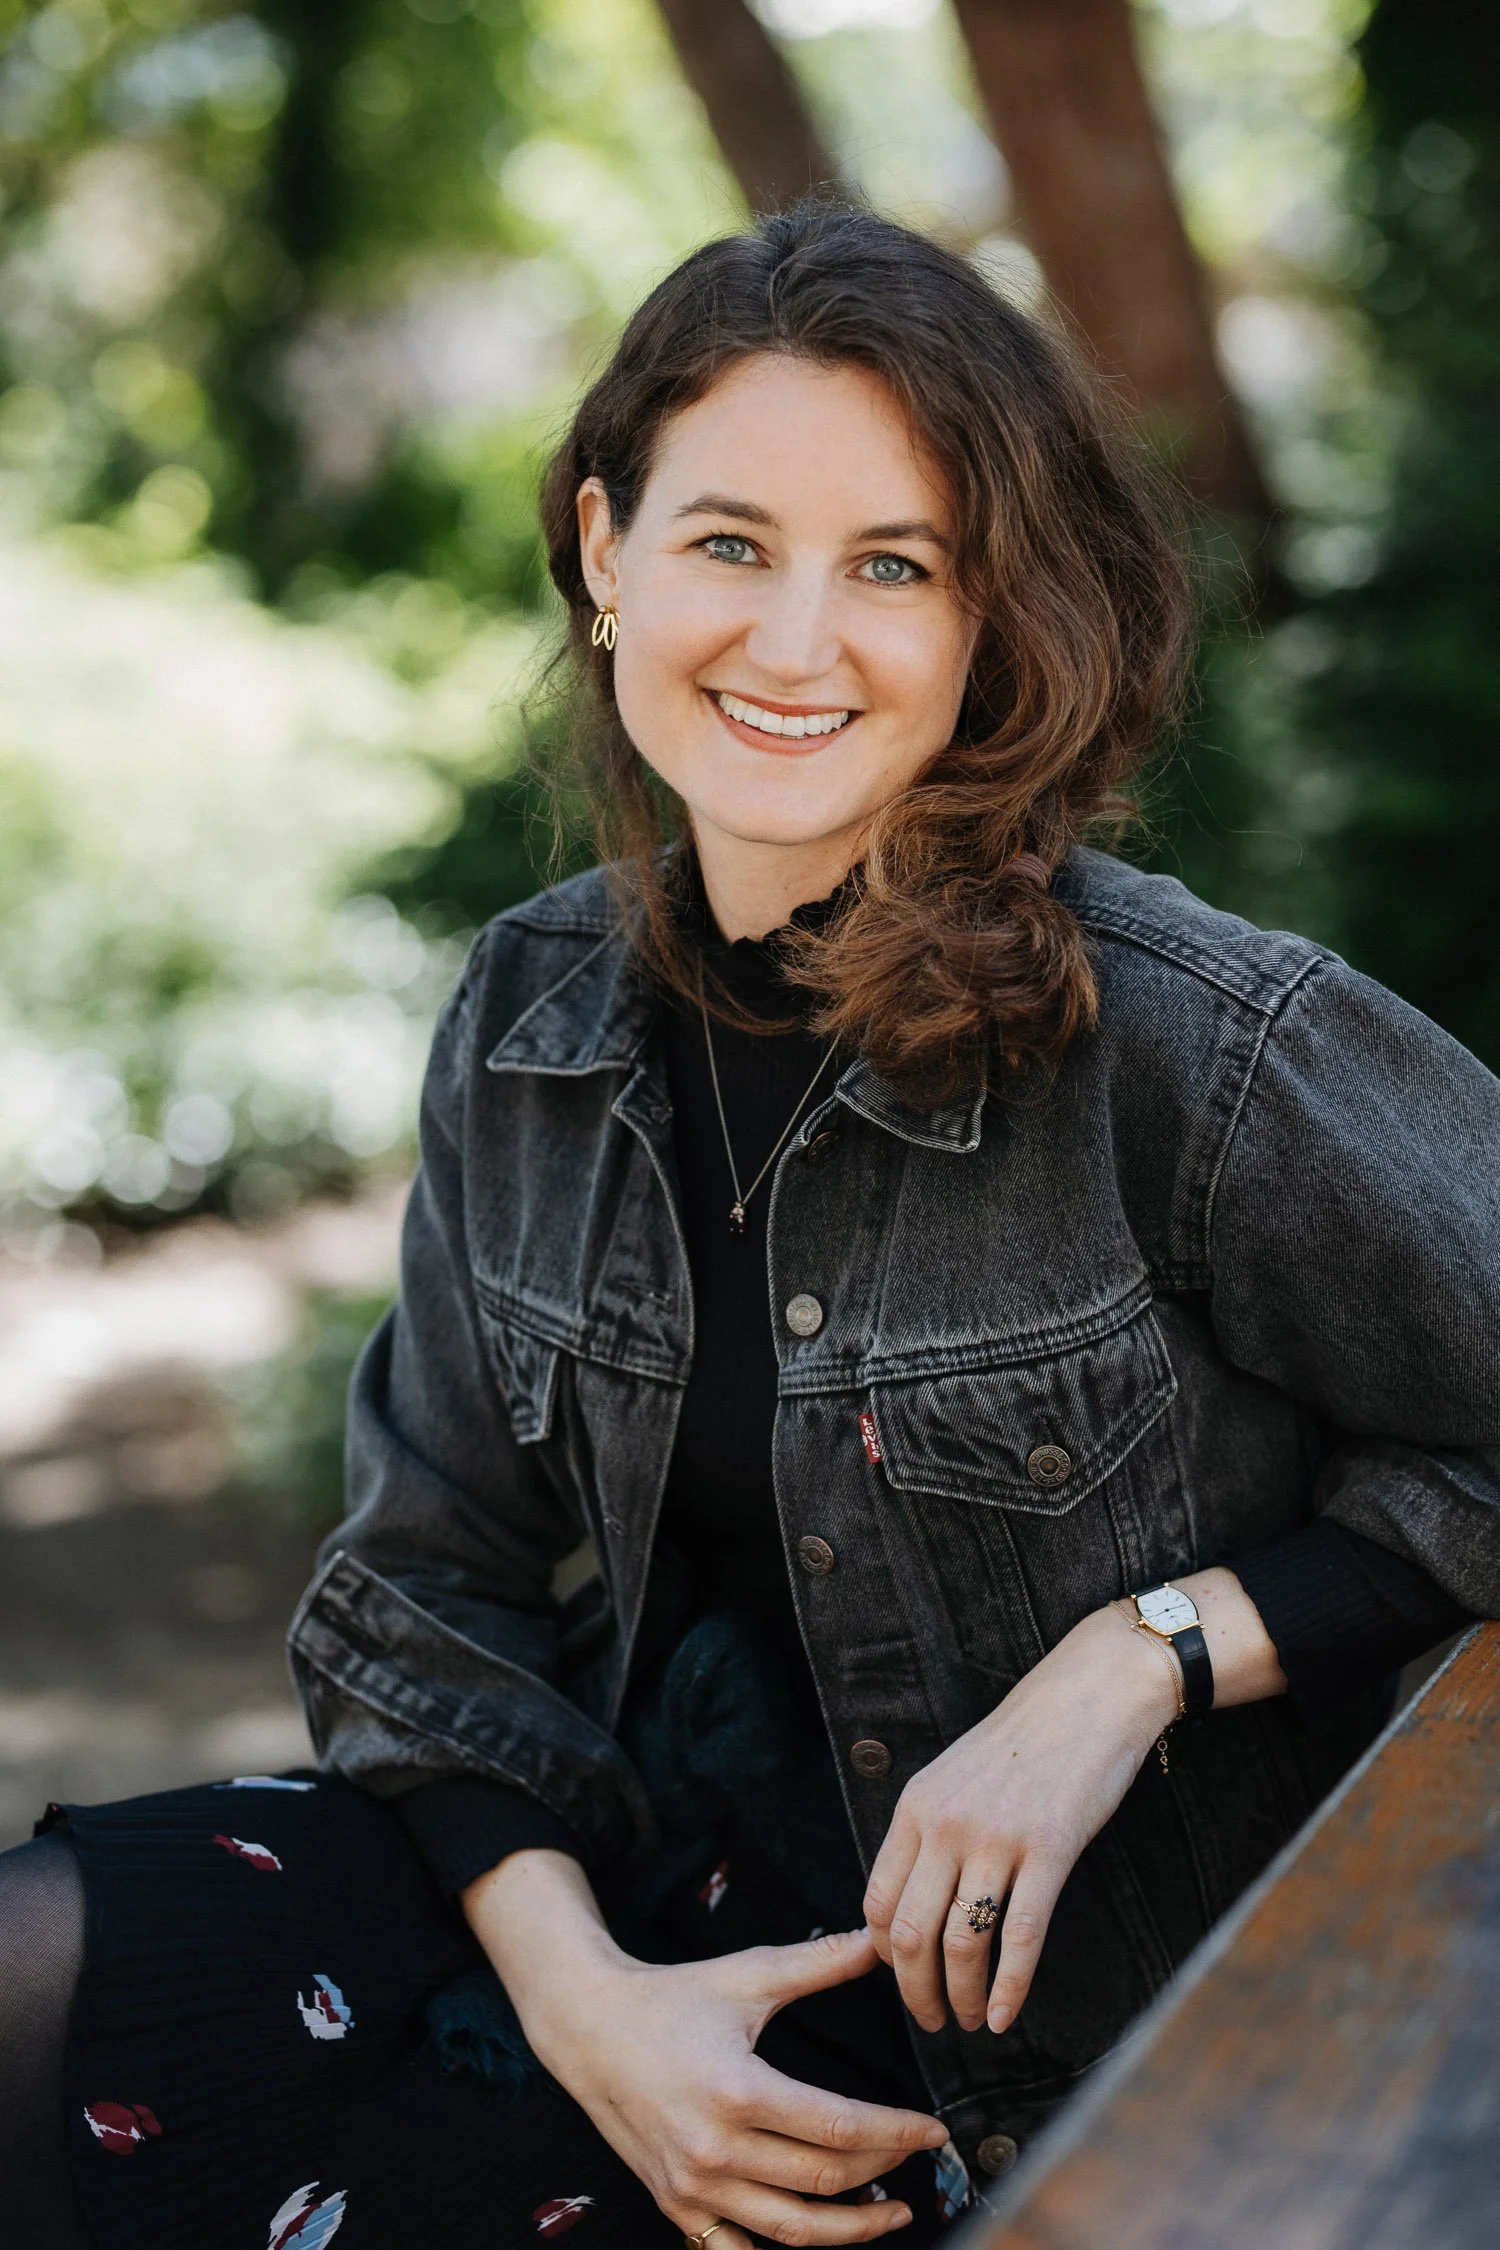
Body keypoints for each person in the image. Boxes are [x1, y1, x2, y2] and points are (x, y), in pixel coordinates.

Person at [2, 202, 1496, 2250]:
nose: (796, 643)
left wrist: (1138, 1659)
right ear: (606, 553)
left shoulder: (1196, 1048)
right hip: (625, 1915)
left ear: (991, 624)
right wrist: (593, 2008)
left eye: (893, 566)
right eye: (730, 544)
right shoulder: (528, 1021)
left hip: (1025, 2037)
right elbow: (421, 1602)